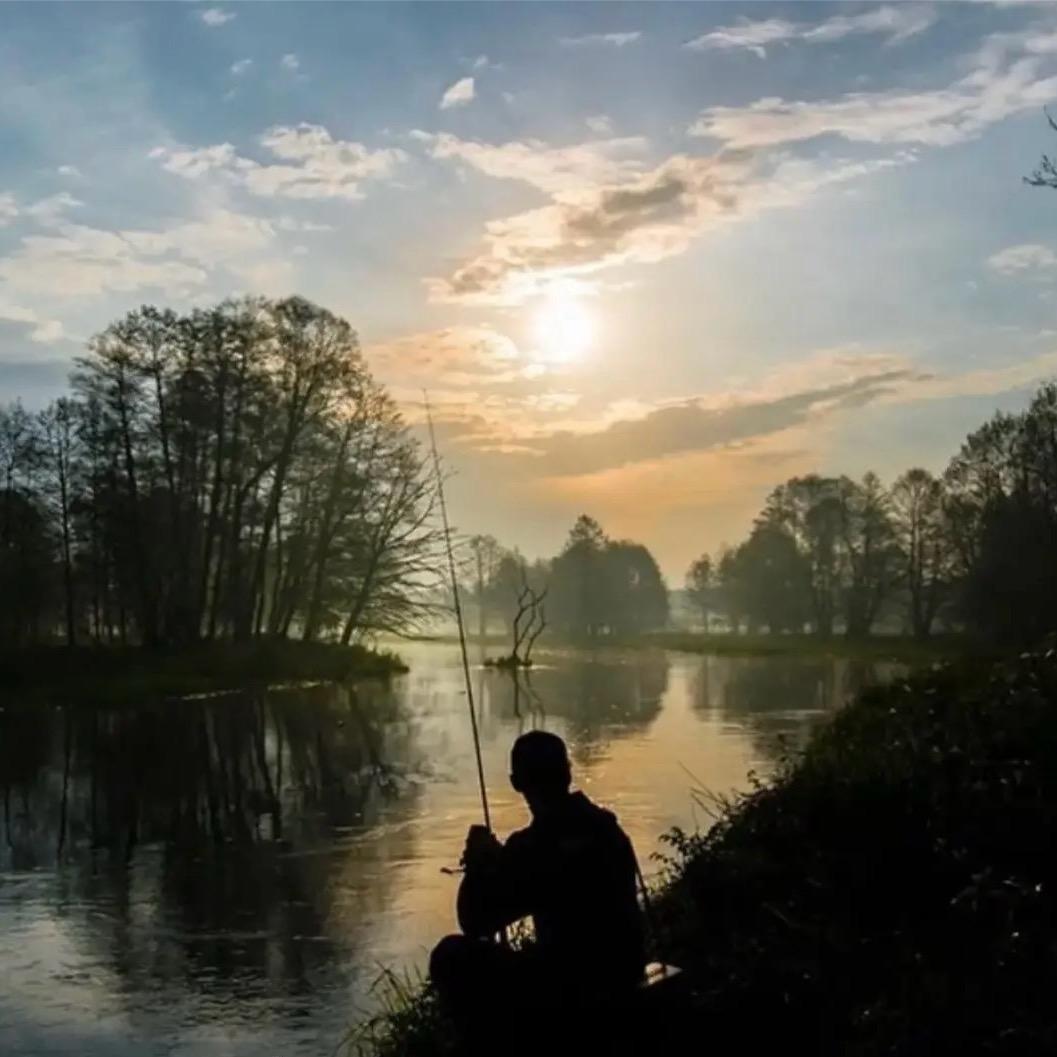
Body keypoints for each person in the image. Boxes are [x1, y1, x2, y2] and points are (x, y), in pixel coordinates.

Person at [429, 731, 646, 1053]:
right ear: (568, 773)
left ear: (516, 782)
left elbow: (475, 922)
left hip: (571, 986)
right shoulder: (606, 827)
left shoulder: (531, 846)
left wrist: (479, 865)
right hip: (623, 968)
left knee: (451, 955)